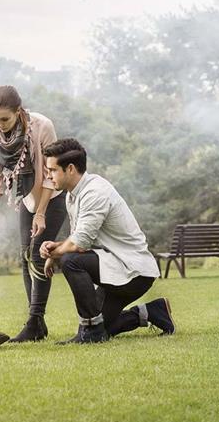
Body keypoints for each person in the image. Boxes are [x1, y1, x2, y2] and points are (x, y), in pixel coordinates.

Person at [39, 138, 176, 344]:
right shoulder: (73, 195)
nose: (47, 176)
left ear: (70, 169)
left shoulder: (95, 192)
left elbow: (79, 245)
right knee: (104, 330)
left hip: (132, 271)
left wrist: (56, 253)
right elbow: (80, 238)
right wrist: (56, 248)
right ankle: (152, 311)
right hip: (113, 268)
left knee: (71, 261)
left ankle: (91, 328)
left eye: (52, 170)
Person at [0, 85, 67, 342]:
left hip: (53, 198)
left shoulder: (42, 126)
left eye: (4, 118)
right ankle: (36, 323)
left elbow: (51, 174)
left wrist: (41, 213)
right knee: (25, 256)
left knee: (38, 254)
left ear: (18, 111)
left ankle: (34, 322)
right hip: (27, 200)